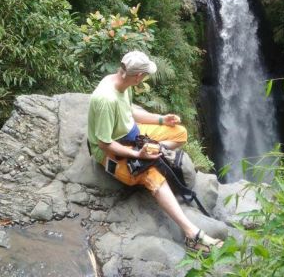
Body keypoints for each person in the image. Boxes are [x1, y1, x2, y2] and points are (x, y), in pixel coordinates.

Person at [86, 50, 222, 252]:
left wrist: (162, 119)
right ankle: (191, 233)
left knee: (179, 133)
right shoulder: (106, 100)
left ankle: (154, 151)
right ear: (138, 76)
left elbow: (130, 112)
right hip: (110, 150)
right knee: (153, 176)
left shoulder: (121, 82)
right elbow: (104, 143)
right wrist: (137, 155)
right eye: (145, 74)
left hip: (132, 133)